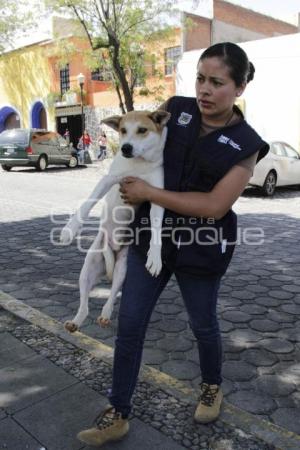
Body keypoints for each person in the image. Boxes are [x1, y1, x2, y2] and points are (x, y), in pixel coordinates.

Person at [77, 42, 269, 447]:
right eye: (200, 78)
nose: (204, 90)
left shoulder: (247, 143)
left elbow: (216, 206)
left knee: (202, 325)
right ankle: (119, 411)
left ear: (240, 87)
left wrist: (148, 193)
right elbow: (139, 150)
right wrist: (120, 187)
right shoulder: (176, 109)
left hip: (201, 245)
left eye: (217, 82)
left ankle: (212, 385)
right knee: (129, 325)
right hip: (151, 241)